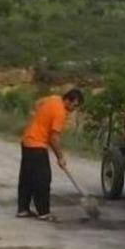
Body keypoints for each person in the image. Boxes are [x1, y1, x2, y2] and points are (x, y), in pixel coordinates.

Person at [17, 88, 84, 222]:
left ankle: (23, 209)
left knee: (27, 178)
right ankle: (44, 212)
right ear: (68, 100)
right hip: (37, 145)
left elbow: (37, 104)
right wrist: (60, 156)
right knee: (43, 179)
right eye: (74, 105)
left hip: (27, 141)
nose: (73, 110)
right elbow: (54, 138)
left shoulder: (53, 99)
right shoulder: (60, 112)